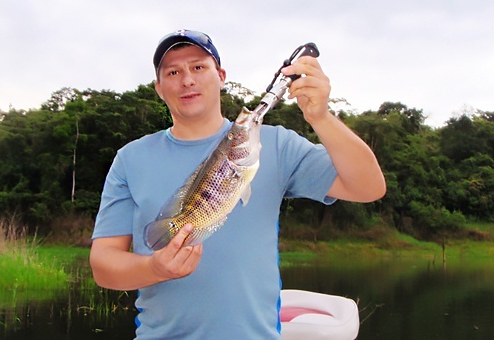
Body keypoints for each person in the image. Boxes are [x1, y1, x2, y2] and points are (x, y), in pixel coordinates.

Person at [90, 29, 385, 339]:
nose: (187, 79)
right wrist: (155, 269)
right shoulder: (131, 159)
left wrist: (321, 117)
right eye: (173, 72)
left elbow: (368, 188)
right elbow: (103, 264)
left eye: (199, 67)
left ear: (221, 76)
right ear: (159, 88)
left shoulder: (276, 145)